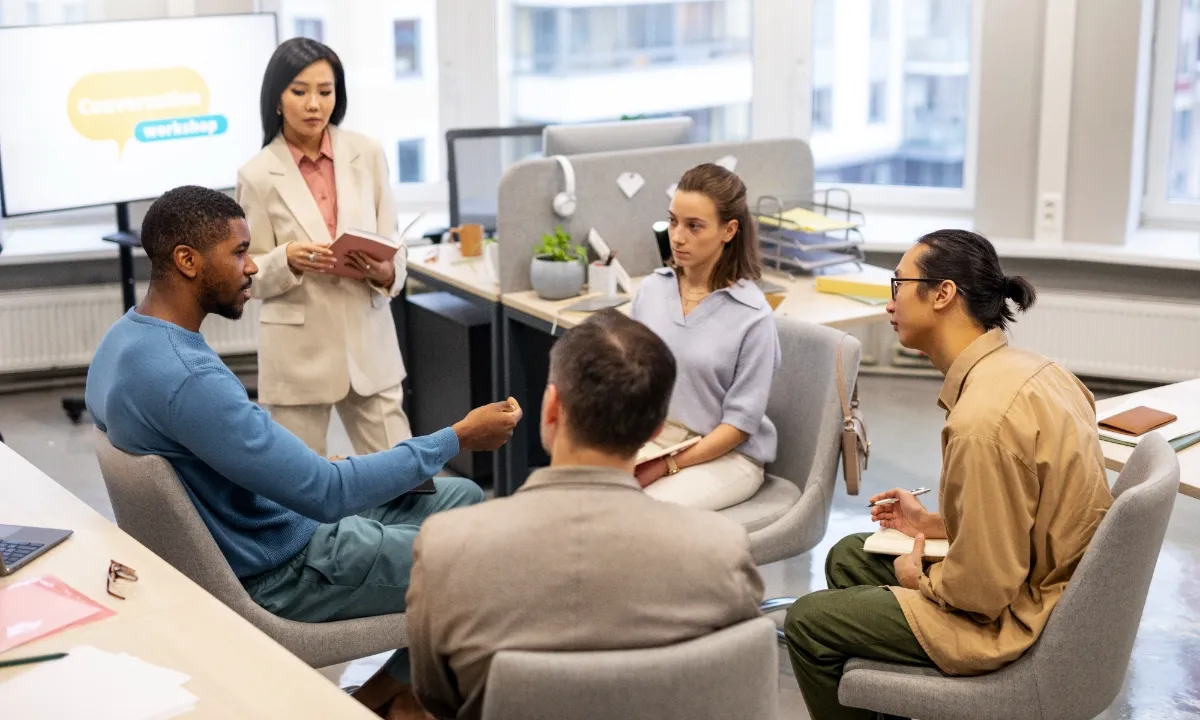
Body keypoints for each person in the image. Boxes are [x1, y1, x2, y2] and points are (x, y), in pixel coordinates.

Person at [85, 186, 522, 720]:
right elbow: (326, 494)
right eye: (239, 252)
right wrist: (458, 437)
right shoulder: (188, 379)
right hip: (285, 567)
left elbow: (277, 471)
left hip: (263, 525)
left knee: (461, 495)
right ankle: (398, 699)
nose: (251, 268)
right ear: (187, 261)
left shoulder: (124, 342)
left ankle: (388, 695)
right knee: (481, 566)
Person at [783, 229, 1114, 720]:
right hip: (1048, 581)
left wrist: (919, 579)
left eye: (898, 284)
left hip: (1019, 615)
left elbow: (981, 592)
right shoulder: (1036, 370)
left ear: (943, 294)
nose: (890, 302)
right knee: (849, 557)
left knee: (808, 623)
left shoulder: (981, 420)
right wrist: (933, 526)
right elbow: (1027, 512)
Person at [405, 310, 765, 720]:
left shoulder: (446, 547)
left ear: (552, 408)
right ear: (655, 428)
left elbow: (436, 698)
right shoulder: (721, 552)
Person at [236, 37, 411, 458]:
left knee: (406, 478)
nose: (314, 104)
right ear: (276, 99)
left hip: (370, 347)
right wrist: (287, 259)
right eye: (300, 92)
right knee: (295, 490)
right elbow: (246, 272)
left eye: (325, 91)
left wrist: (385, 271)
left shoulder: (366, 153)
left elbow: (394, 243)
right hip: (299, 356)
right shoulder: (257, 174)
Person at [628, 163, 781, 511]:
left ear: (729, 231)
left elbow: (739, 427)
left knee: (645, 515)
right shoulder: (652, 291)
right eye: (673, 221)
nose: (677, 237)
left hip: (725, 455)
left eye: (694, 226)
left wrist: (665, 465)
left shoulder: (752, 316)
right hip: (658, 440)